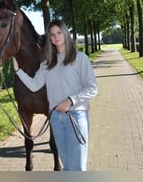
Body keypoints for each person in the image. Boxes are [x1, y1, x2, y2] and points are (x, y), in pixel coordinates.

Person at [12, 20, 98, 171]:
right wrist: (18, 72)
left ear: (66, 33)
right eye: (52, 35)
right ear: (49, 39)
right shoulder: (47, 63)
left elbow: (92, 88)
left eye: (59, 33)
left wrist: (70, 101)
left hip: (75, 117)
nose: (56, 37)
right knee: (67, 165)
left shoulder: (80, 58)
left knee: (77, 167)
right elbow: (34, 85)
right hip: (56, 120)